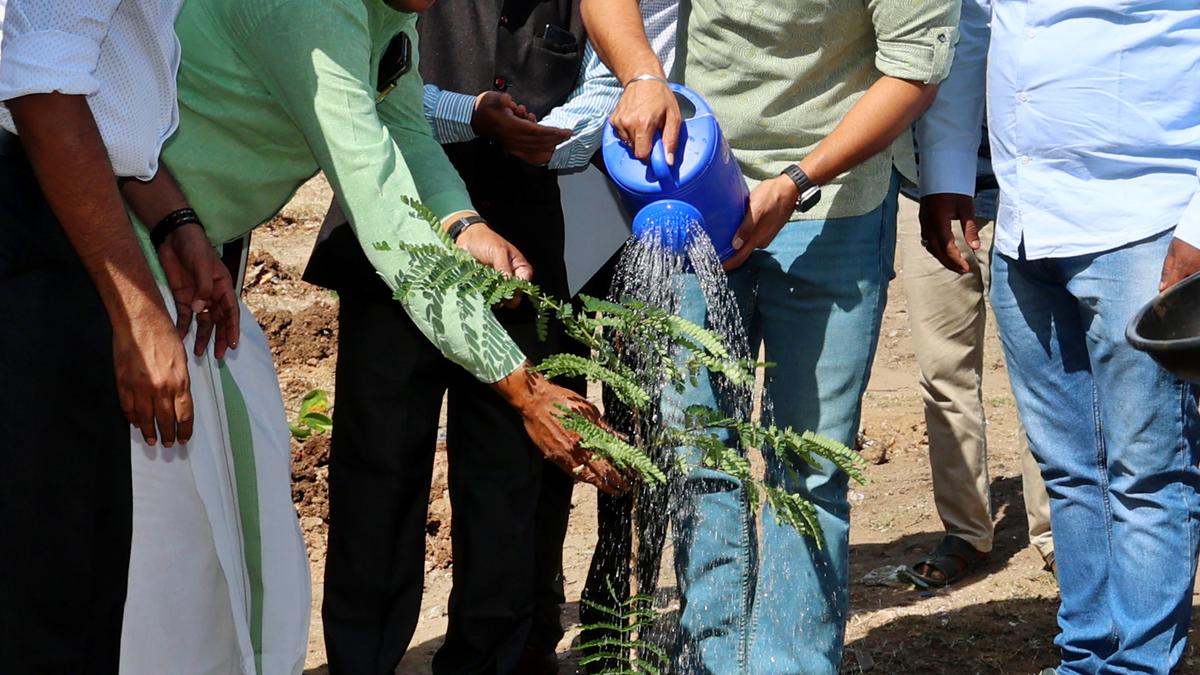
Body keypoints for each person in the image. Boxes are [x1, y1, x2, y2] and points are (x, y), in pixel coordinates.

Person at [158, 0, 624, 673]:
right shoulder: (315, 14)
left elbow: (404, 130)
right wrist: (523, 386)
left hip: (197, 249)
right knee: (187, 530)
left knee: (236, 522)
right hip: (132, 248)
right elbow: (381, 203)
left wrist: (465, 224)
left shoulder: (394, 17)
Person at [582, 0, 960, 670]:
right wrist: (643, 73)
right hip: (693, 181)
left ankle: (792, 661)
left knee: (809, 464)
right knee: (700, 456)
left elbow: (913, 72)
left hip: (831, 202)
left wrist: (797, 180)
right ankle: (715, 658)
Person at [303, 3, 627, 671]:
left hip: (522, 259)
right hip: (394, 238)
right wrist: (471, 114)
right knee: (379, 474)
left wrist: (559, 134)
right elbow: (366, 81)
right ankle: (362, 658)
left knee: (506, 481)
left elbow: (606, 81)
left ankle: (488, 659)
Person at [919, 1, 1200, 672]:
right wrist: (949, 171)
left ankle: (1138, 664)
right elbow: (973, 26)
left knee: (1149, 468)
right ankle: (1087, 655)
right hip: (1025, 220)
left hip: (1147, 216)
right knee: (1069, 467)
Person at [0, 1, 237, 671]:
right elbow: (40, 85)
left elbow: (92, 80)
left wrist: (170, 218)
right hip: (23, 221)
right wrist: (136, 307)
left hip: (56, 206)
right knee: (40, 589)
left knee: (80, 569)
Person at [901, 0, 1054, 586]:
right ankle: (966, 530)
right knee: (944, 372)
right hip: (931, 196)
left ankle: (1055, 531)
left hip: (1034, 195)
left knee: (1044, 374)